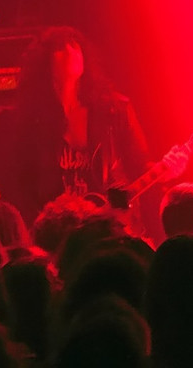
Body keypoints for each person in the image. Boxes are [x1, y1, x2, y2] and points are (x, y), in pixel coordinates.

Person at [12, 27, 149, 228]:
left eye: (75, 46)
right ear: (45, 63)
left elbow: (140, 164)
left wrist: (166, 172)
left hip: (111, 225)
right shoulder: (33, 121)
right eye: (60, 48)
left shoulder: (114, 110)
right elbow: (22, 184)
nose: (69, 51)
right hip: (59, 230)